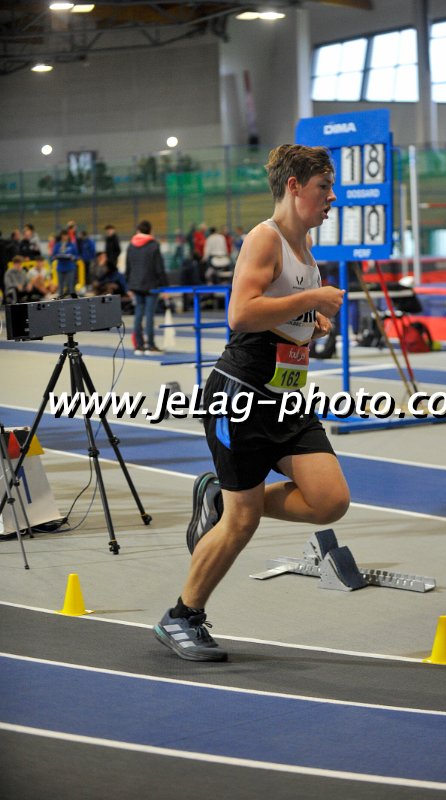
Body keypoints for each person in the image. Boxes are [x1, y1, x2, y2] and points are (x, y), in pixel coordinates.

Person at [153, 143, 349, 662]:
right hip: (240, 395)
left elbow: (276, 309)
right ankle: (182, 616)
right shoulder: (265, 238)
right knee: (243, 522)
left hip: (287, 397)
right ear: (294, 187)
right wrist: (311, 300)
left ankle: (222, 497)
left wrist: (308, 323)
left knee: (330, 501)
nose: (332, 197)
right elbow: (240, 314)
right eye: (323, 187)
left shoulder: (305, 245)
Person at [125, 220, 168, 355]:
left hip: (135, 284)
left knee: (138, 314)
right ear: (150, 230)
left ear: (138, 230)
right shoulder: (153, 245)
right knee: (149, 315)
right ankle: (150, 345)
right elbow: (159, 267)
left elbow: (128, 266)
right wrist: (165, 286)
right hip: (151, 284)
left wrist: (128, 285)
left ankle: (139, 346)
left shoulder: (131, 245)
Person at [52, 229, 80, 295]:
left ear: (68, 236)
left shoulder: (71, 245)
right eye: (63, 236)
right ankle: (60, 299)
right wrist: (56, 256)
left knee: (71, 286)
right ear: (61, 236)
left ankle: (73, 299)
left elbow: (77, 256)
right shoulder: (57, 245)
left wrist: (72, 257)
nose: (65, 237)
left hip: (70, 268)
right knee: (60, 287)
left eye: (66, 235)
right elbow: (53, 256)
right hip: (60, 268)